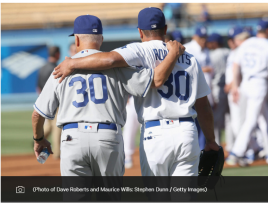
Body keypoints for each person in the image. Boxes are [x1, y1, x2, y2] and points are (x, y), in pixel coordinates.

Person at [53, 7, 219, 176]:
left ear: (140, 32)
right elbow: (203, 106)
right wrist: (211, 140)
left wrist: (73, 63)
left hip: (156, 133)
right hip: (187, 131)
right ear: (165, 29)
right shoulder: (189, 57)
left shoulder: (139, 50)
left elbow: (108, 59)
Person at [32, 14, 184, 178]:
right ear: (101, 39)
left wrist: (39, 138)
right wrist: (172, 55)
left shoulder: (62, 68)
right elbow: (155, 80)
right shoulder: (118, 66)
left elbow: (37, 114)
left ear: (76, 40)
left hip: (72, 139)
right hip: (108, 138)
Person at [228, 19, 268, 165]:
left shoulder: (247, 43)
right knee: (251, 119)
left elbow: (236, 66)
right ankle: (236, 152)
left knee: (265, 119)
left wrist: (236, 86)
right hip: (259, 84)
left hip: (246, 84)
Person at [184, 26, 213, 150]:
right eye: (201, 37)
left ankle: (202, 148)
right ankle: (195, 148)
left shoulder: (205, 50)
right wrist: (204, 69)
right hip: (191, 91)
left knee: (203, 120)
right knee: (194, 121)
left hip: (204, 90)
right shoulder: (187, 48)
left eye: (205, 37)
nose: (203, 40)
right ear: (194, 37)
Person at [36, 46, 61, 159]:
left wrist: (43, 99)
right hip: (55, 102)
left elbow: (38, 88)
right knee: (57, 127)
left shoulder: (42, 68)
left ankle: (37, 141)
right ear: (57, 54)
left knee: (49, 126)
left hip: (43, 101)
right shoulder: (57, 68)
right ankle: (57, 153)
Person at [207, 32, 230, 144]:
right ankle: (231, 145)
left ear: (215, 43)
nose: (208, 44)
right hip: (229, 87)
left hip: (217, 88)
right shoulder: (228, 52)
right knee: (230, 119)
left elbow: (210, 72)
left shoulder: (212, 55)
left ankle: (216, 144)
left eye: (210, 42)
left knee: (215, 120)